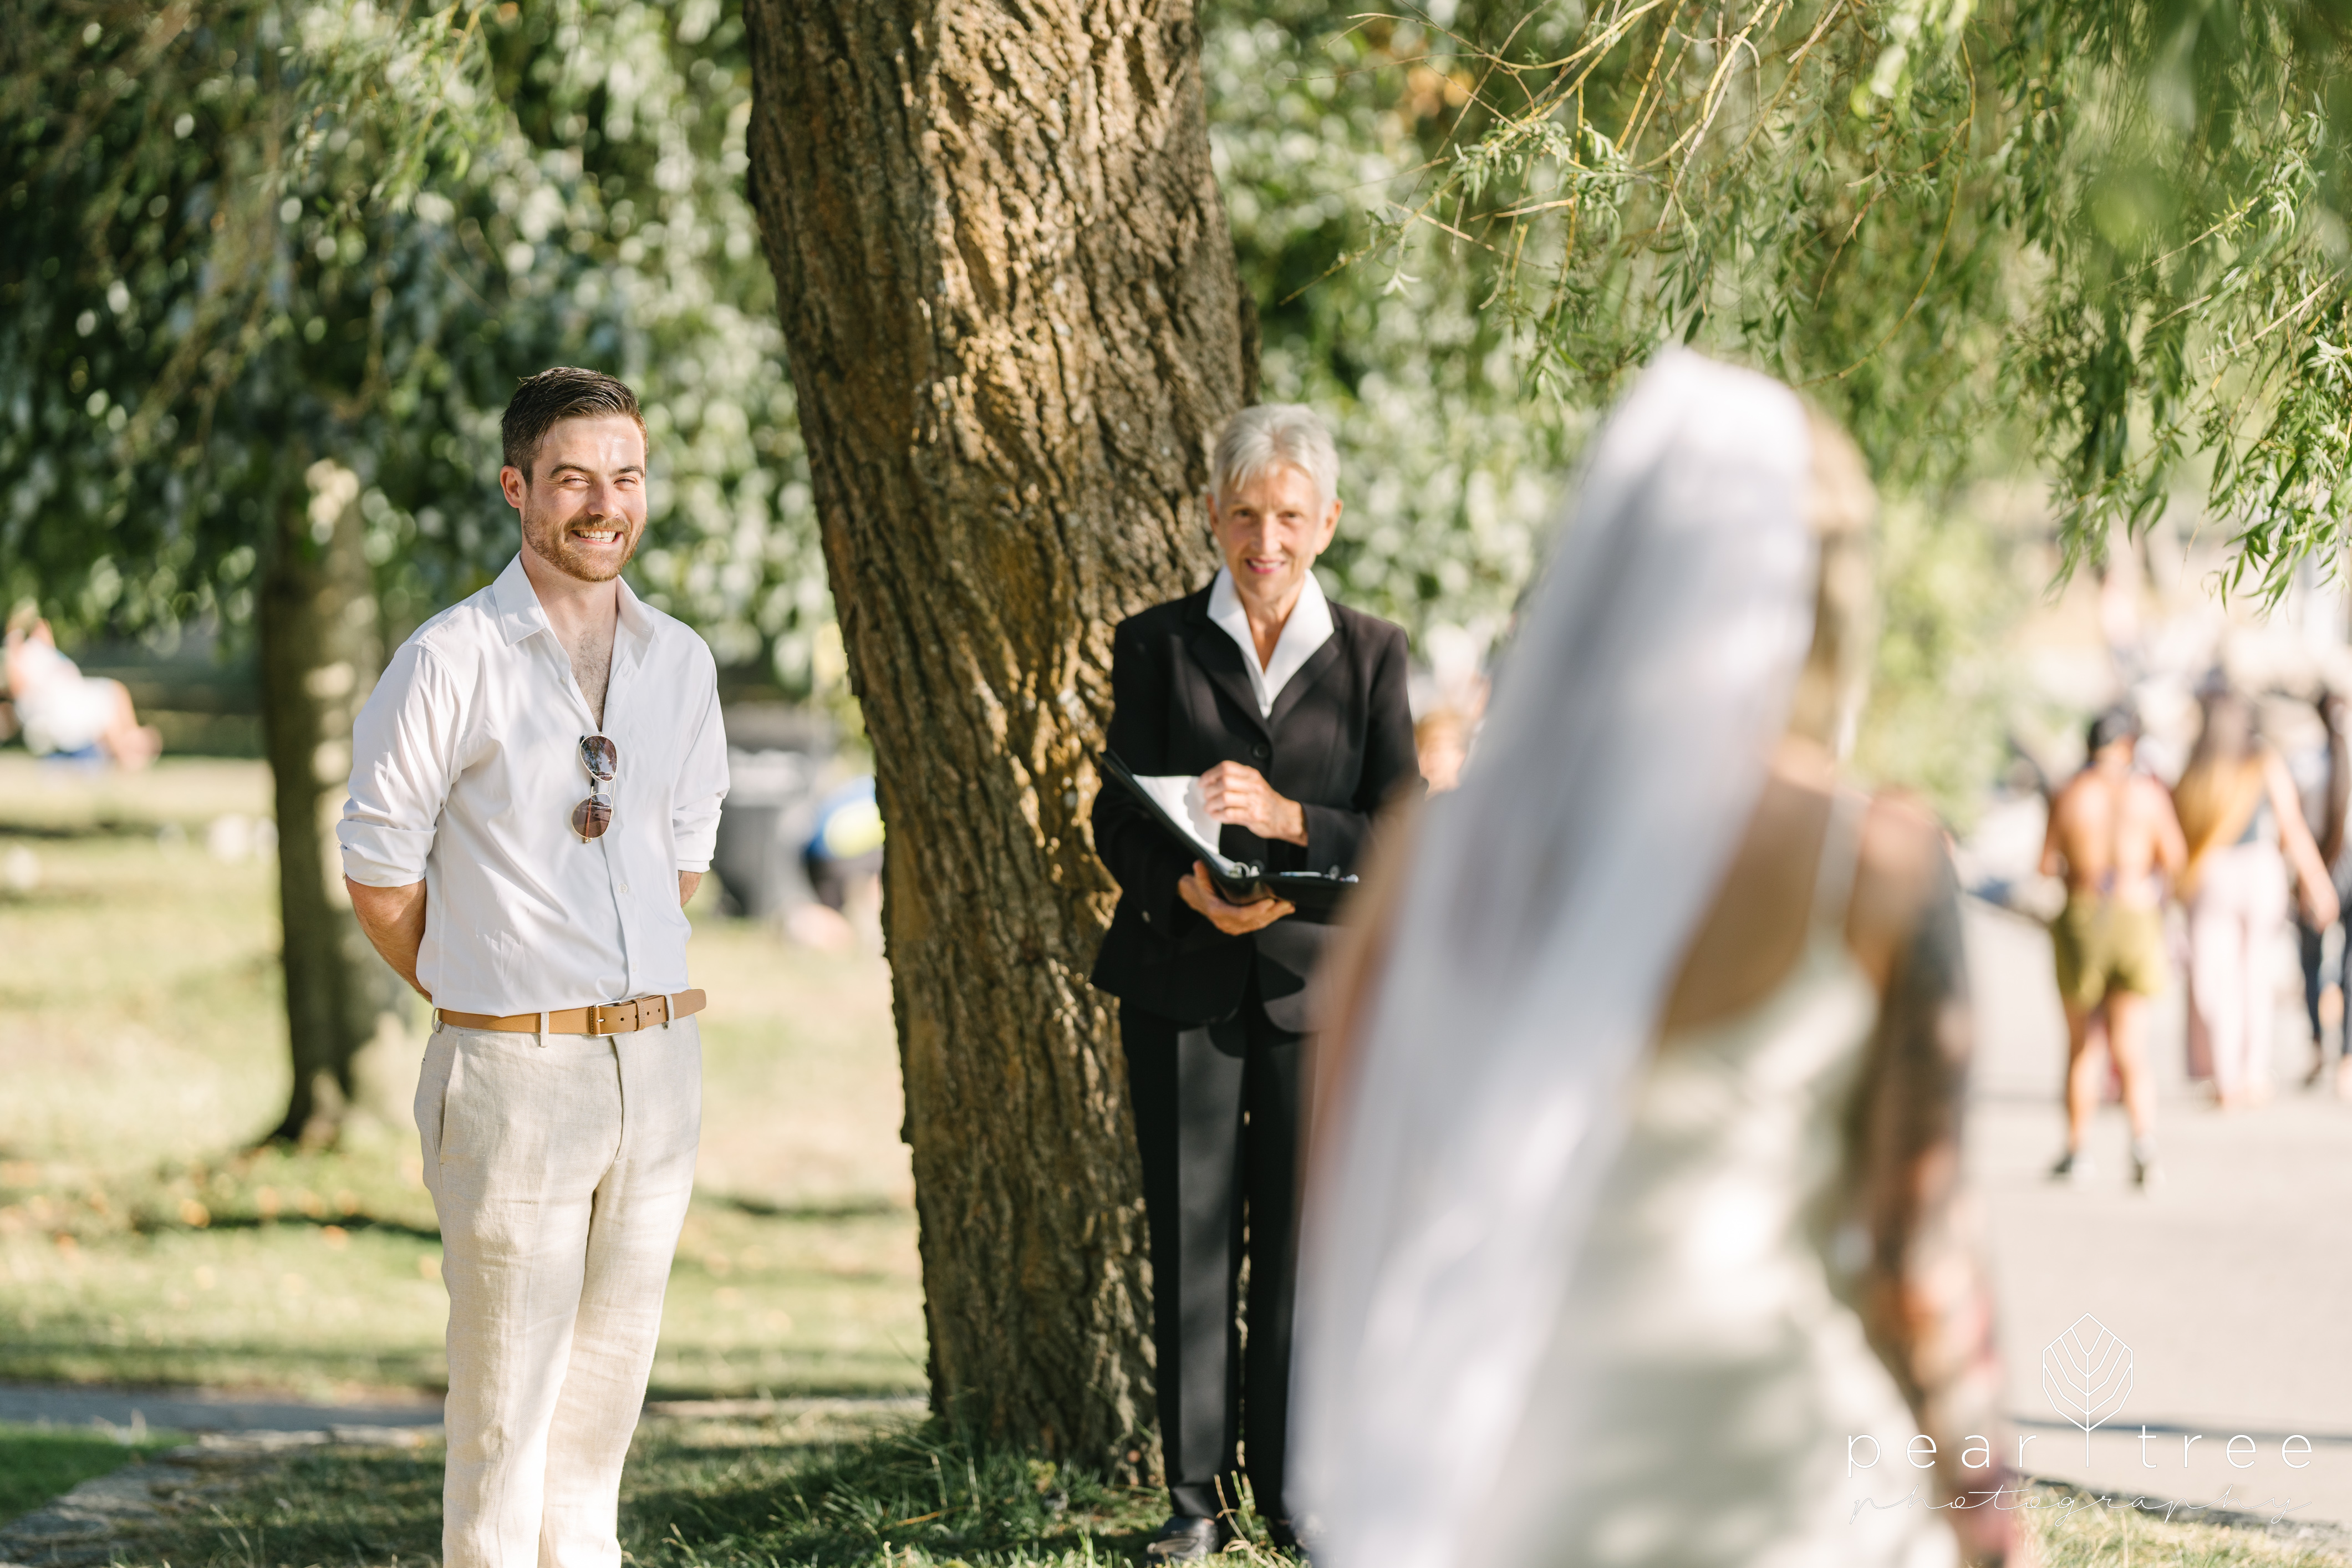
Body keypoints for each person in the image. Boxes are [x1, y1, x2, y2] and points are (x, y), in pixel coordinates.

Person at [1293, 353, 2023, 1568]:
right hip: (1788, 1500)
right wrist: (1991, 1522)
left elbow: (1347, 1173)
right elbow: (1917, 1263)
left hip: (1512, 1494)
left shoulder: (1431, 861)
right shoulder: (1876, 864)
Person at [337, 368, 729, 1568]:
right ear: (517, 488)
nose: (604, 504)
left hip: (656, 1070)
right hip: (511, 1072)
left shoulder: (681, 661)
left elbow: (681, 863)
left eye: (626, 477)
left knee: (600, 1421)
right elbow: (378, 873)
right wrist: (487, 988)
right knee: (506, 1421)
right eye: (573, 479)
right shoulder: (449, 657)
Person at [1089, 403, 1421, 1559]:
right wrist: (1184, 888)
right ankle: (1195, 1504)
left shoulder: (1374, 654)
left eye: (1287, 515)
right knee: (1189, 1240)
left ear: (1326, 521)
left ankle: (1291, 1496)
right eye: (1242, 514)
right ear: (1212, 516)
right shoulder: (1155, 644)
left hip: (1317, 994)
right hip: (1178, 980)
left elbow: (1404, 828)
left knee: (1299, 1251)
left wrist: (1292, 824)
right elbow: (1115, 818)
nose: (1263, 539)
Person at [2038, 706, 2186, 1188]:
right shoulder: (2148, 795)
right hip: (2135, 912)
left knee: (2083, 1045)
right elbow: (2174, 857)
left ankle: (2077, 1151)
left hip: (2083, 913)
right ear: (2128, 745)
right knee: (2131, 1045)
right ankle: (2143, 1143)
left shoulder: (2070, 793)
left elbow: (2044, 865)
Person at [2172, 686, 2338, 1108]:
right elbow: (2292, 825)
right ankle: (2251, 1075)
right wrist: (2318, 882)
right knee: (2253, 977)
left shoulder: (2199, 763)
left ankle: (2226, 1077)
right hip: (2259, 871)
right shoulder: (2262, 760)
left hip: (2212, 874)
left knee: (2214, 979)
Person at [3, 607, 161, 767]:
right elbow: (19, 690)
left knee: (114, 693)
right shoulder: (22, 659)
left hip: (73, 698)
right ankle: (128, 751)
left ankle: (132, 740)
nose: (43, 628)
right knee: (108, 704)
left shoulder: (42, 652)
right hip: (62, 711)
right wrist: (14, 635)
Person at [2294, 689, 2352, 1093]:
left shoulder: (2303, 765)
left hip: (2317, 867)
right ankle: (2347, 1056)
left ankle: (2318, 1043)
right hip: (2339, 864)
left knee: (2311, 960)